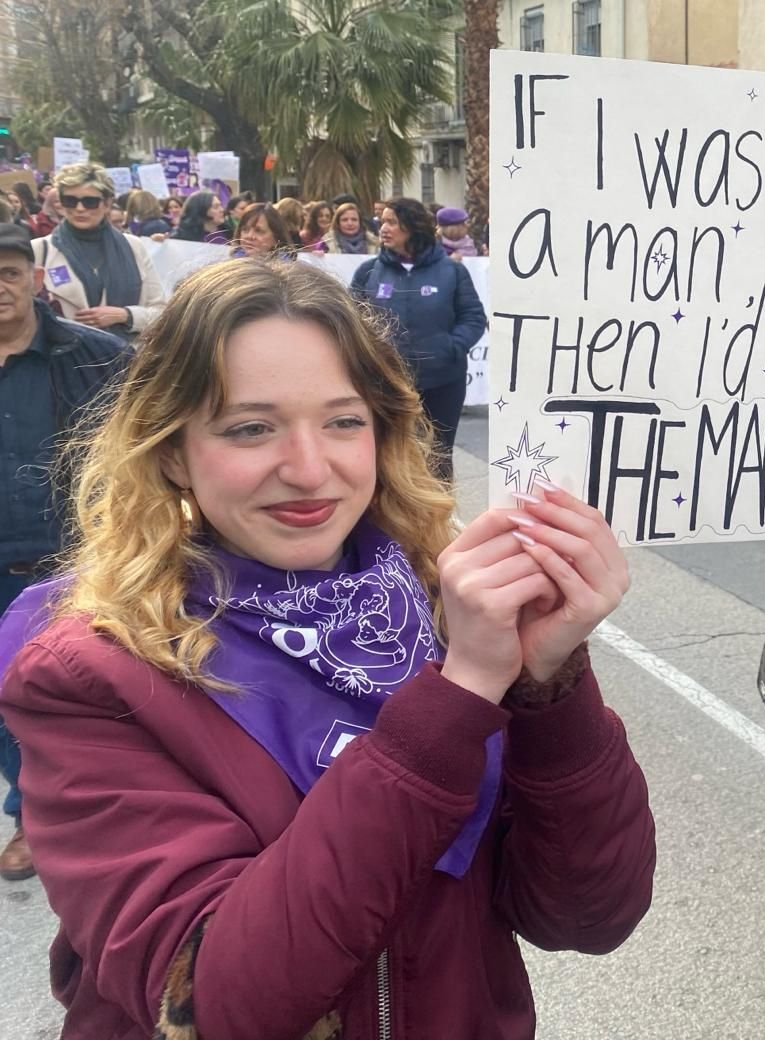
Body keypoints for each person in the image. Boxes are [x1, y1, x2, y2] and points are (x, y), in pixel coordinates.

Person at [0, 257, 655, 1038]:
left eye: (344, 421)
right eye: (250, 428)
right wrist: (458, 696)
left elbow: (587, 916)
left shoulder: (433, 605)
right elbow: (213, 1004)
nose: (310, 471)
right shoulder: (92, 670)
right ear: (172, 450)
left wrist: (548, 685)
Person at [0, 225, 129, 882]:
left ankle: (38, 814)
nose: (0, 284)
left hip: (70, 563)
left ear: (32, 276)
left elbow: (144, 442)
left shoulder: (95, 355)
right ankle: (28, 798)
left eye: (10, 269)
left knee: (69, 698)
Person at [352, 198, 486, 481]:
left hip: (442, 382)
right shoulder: (369, 272)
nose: (383, 228)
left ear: (414, 227)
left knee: (437, 456)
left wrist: (451, 347)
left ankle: (438, 520)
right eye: (382, 222)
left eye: (391, 222)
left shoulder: (452, 271)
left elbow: (473, 317)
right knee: (388, 454)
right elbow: (350, 320)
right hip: (386, 382)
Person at [31, 162, 166, 339]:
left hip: (128, 359)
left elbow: (162, 313)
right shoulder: (39, 250)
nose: (80, 208)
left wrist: (125, 315)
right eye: (70, 200)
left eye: (90, 202)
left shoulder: (134, 246)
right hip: (64, 361)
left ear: (107, 203)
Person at [232, 202, 297, 259]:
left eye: (258, 231)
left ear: (276, 237)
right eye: (245, 229)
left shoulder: (291, 271)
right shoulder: (229, 269)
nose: (249, 236)